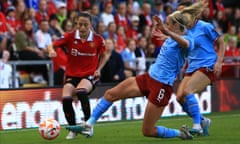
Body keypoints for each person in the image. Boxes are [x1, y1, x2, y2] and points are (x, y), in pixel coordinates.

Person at [66, 11, 195, 140]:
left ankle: (180, 133)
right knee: (110, 94)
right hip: (148, 78)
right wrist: (167, 36)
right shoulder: (172, 37)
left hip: (162, 86)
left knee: (148, 131)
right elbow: (174, 40)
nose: (165, 26)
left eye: (168, 24)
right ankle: (89, 125)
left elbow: (185, 44)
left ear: (177, 25)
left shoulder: (188, 39)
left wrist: (167, 33)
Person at [47, 12, 107, 140]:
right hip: (72, 74)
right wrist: (51, 51)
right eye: (80, 24)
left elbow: (104, 55)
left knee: (80, 91)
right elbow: (51, 45)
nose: (83, 28)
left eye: (85, 25)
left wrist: (99, 69)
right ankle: (73, 128)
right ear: (76, 24)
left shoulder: (98, 40)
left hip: (90, 74)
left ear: (91, 25)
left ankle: (88, 125)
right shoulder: (69, 37)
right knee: (66, 98)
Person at [176, 1, 225, 136]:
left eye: (183, 11)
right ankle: (203, 120)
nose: (181, 14)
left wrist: (219, 62)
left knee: (188, 91)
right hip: (192, 67)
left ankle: (197, 126)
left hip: (207, 65)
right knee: (179, 97)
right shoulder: (184, 30)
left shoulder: (205, 26)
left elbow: (221, 43)